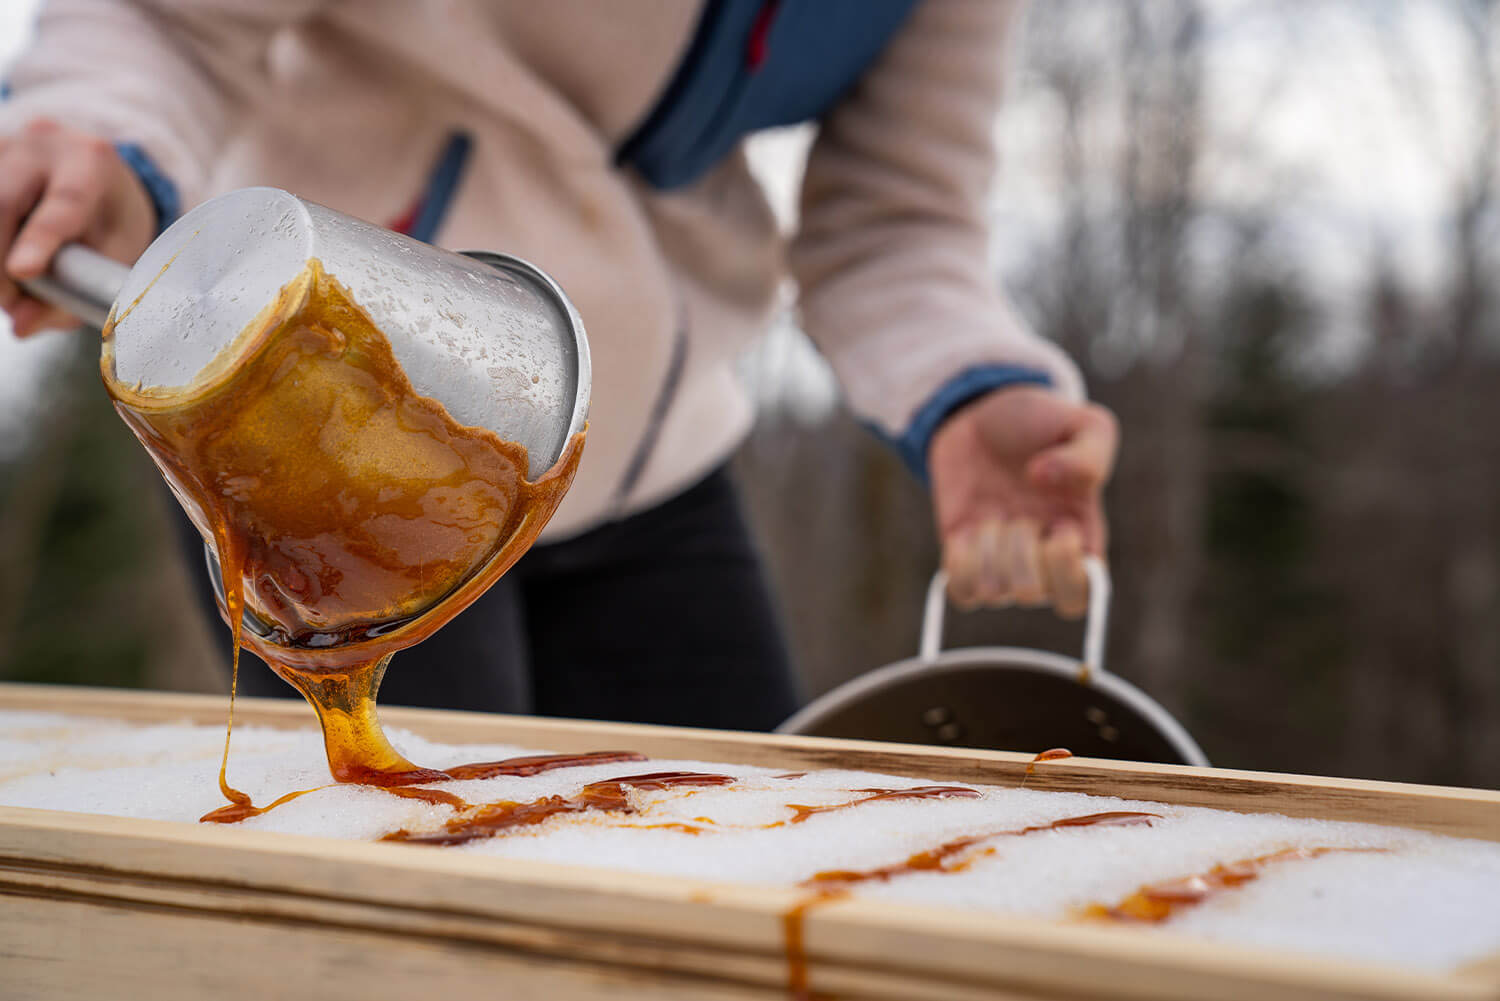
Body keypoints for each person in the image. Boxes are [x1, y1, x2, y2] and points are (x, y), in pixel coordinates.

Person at [0, 0, 1117, 731]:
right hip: (333, 429)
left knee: (724, 884)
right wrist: (96, 138)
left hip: (650, 455)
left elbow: (897, 220)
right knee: (438, 915)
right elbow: (172, 25)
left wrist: (971, 382)